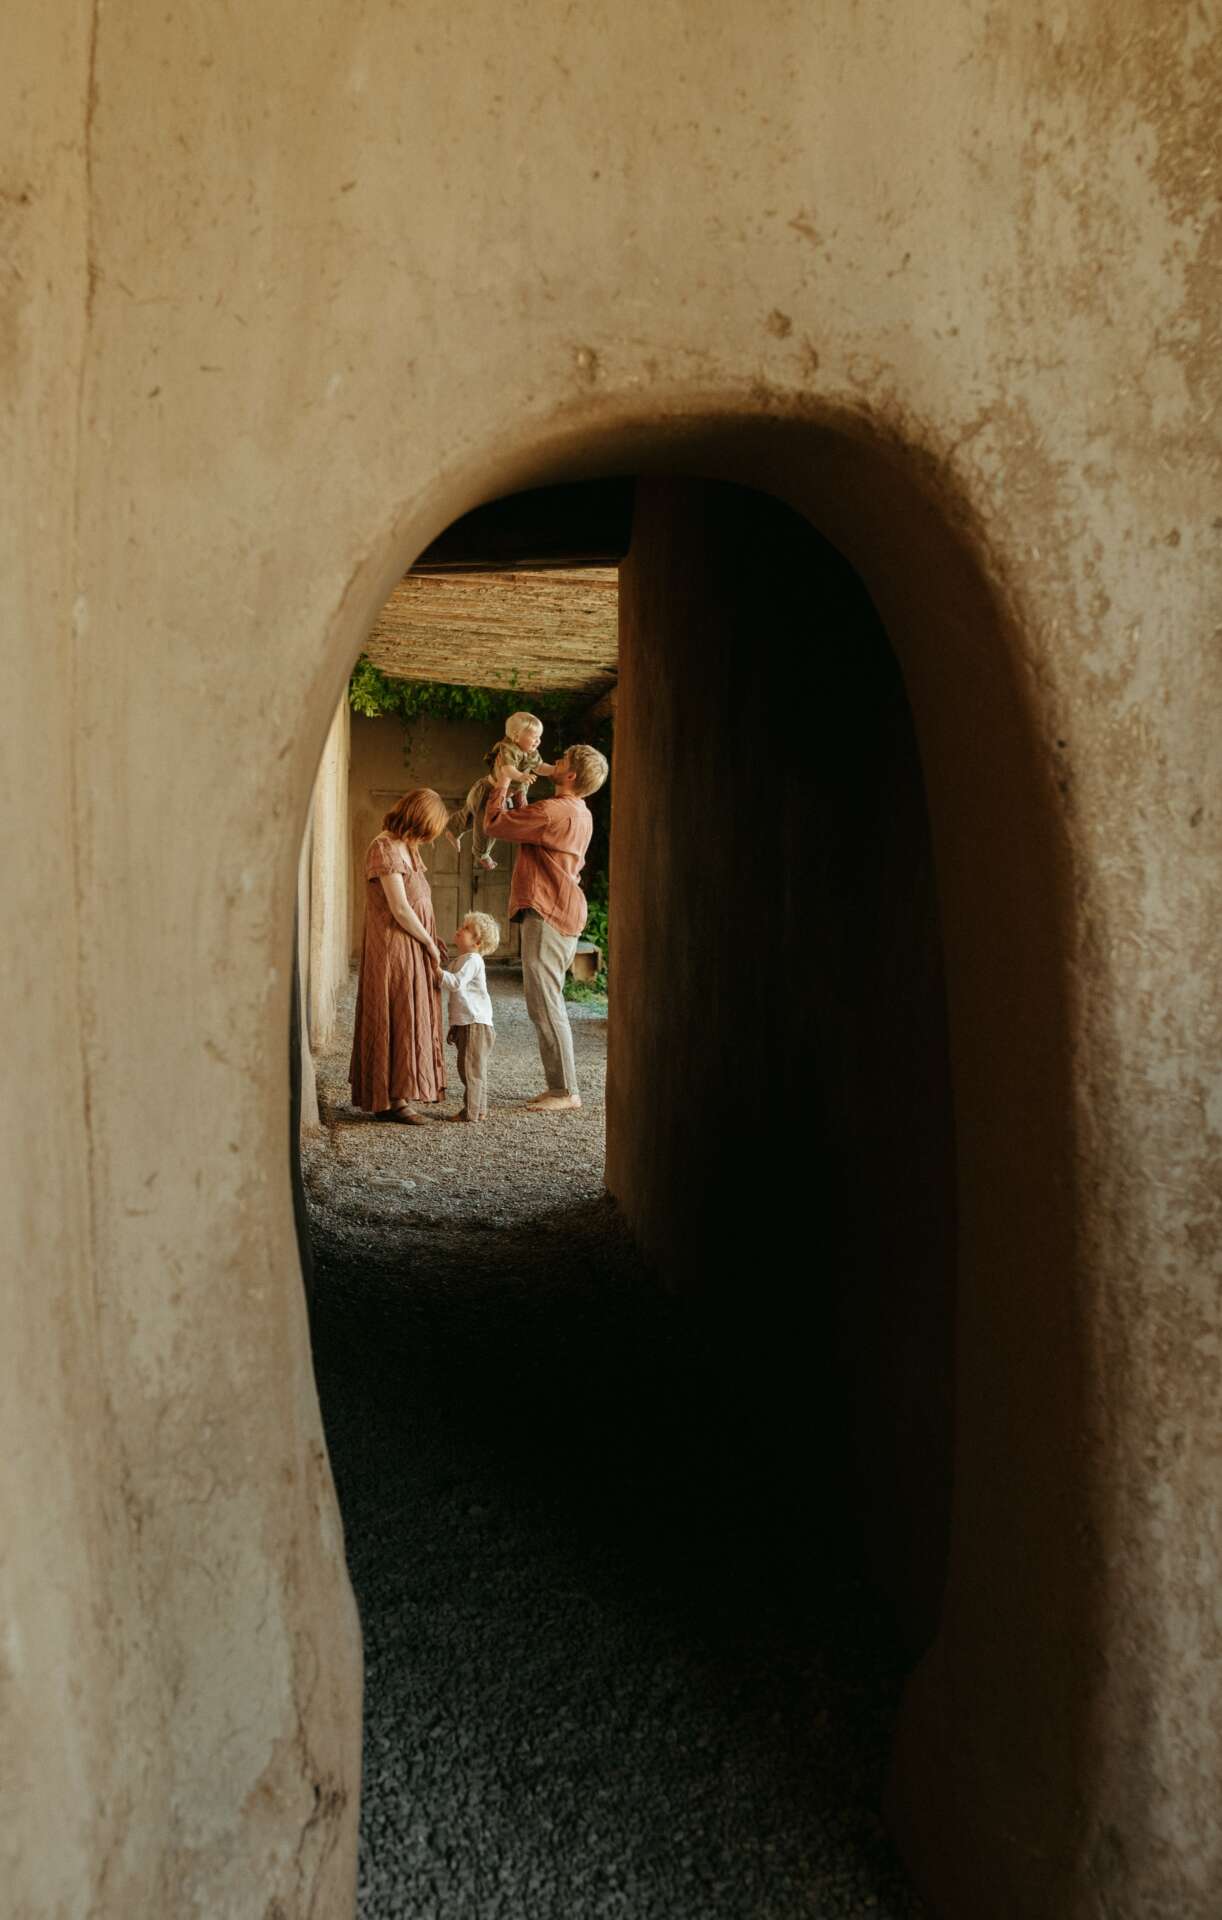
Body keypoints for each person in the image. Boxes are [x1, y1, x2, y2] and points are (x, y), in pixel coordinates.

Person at [483, 742, 609, 1113]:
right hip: (562, 907)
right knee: (545, 1000)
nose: (554, 760)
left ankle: (565, 1091)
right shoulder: (576, 810)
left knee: (545, 1003)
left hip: (548, 909)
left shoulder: (554, 811)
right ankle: (559, 1087)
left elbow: (495, 824)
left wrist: (502, 781)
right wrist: (521, 787)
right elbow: (531, 826)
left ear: (570, 774)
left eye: (563, 759)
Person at [349, 788, 451, 1122]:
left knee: (410, 1014)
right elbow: (400, 908)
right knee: (397, 1013)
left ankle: (401, 1094)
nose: (425, 839)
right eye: (424, 831)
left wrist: (428, 938)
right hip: (394, 945)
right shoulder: (384, 848)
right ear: (414, 820)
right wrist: (429, 942)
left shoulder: (408, 847)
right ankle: (391, 1100)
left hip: (411, 942)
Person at [448, 710, 556, 869]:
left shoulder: (531, 752)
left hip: (504, 794)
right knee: (486, 826)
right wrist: (521, 776)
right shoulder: (508, 749)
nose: (538, 741)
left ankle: (452, 829)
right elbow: (507, 769)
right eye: (534, 737)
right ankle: (481, 854)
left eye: (539, 737)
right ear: (516, 736)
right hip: (487, 792)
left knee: (470, 815)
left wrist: (555, 770)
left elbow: (540, 767)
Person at [438, 911, 500, 1122]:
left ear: (477, 942)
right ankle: (479, 1110)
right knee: (474, 1068)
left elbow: (455, 983)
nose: (460, 929)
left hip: (475, 1024)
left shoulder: (473, 960)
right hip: (470, 1023)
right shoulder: (463, 960)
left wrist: (435, 970)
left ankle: (471, 1112)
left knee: (469, 1069)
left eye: (466, 929)